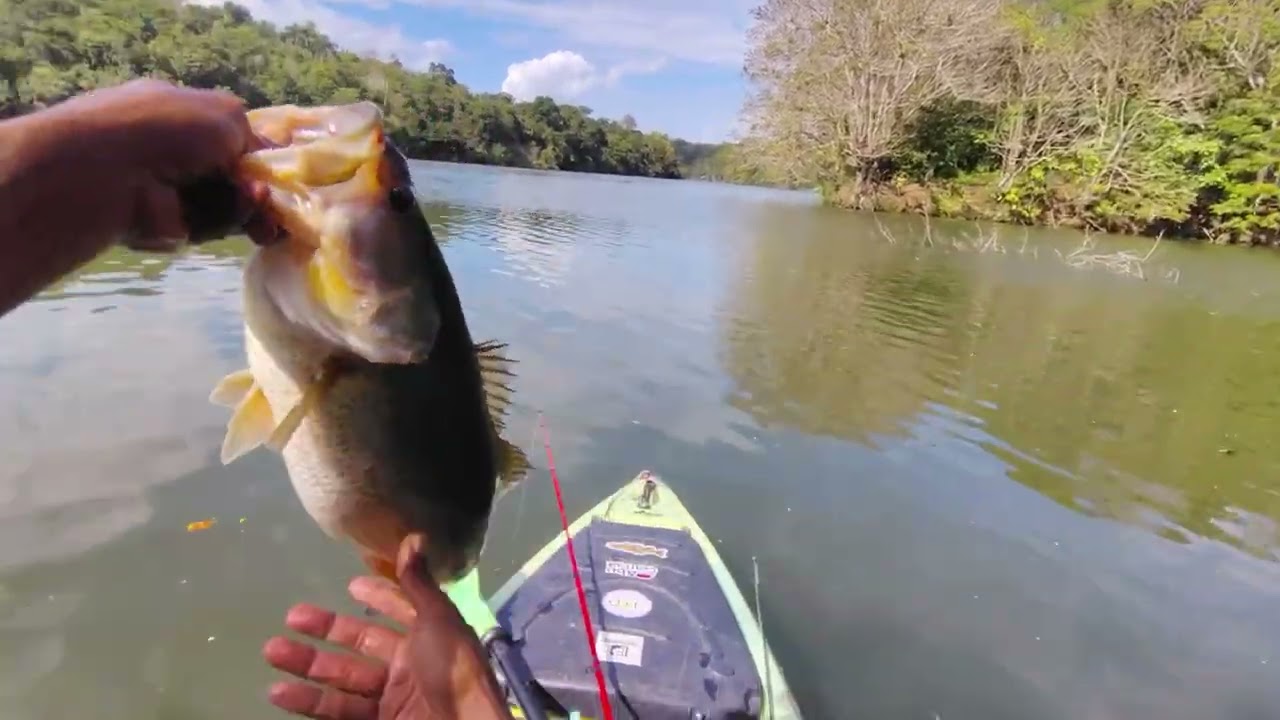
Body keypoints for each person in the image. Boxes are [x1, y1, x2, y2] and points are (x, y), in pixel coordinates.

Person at [0, 79, 515, 720]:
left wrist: (98, 164)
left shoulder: (361, 346)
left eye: (397, 199)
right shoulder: (346, 339)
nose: (388, 192)